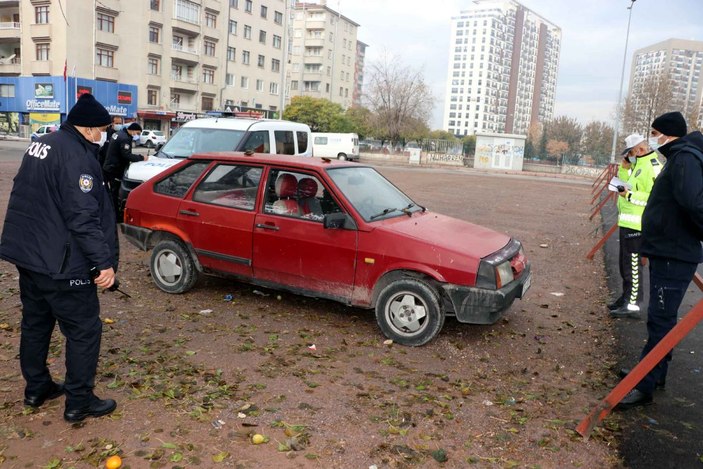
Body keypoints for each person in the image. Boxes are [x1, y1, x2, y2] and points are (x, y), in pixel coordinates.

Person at [0, 93, 118, 422]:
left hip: (31, 255)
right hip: (62, 265)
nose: (104, 134)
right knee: (84, 330)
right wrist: (104, 263)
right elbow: (83, 218)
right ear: (88, 128)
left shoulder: (43, 144)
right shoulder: (78, 158)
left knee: (36, 324)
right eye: (102, 129)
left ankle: (36, 388)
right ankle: (79, 401)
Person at [617, 111, 703, 409]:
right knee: (661, 319)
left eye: (654, 133)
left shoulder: (685, 158)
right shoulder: (680, 157)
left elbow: (693, 203)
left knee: (660, 319)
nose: (652, 139)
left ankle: (645, 384)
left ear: (667, 133)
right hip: (669, 249)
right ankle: (653, 373)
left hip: (674, 252)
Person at [608, 133, 662, 318]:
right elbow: (629, 185)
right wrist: (624, 170)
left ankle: (633, 305)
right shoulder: (639, 165)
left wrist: (629, 196)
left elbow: (655, 198)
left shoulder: (653, 167)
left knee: (632, 265)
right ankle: (626, 298)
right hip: (629, 221)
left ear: (640, 149)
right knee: (625, 265)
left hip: (638, 225)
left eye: (631, 152)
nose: (629, 156)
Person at [102, 122, 147, 220]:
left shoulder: (118, 134)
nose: (137, 136)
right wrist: (141, 158)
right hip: (115, 169)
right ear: (133, 130)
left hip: (109, 167)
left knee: (110, 191)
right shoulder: (125, 138)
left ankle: (111, 213)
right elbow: (126, 155)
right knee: (115, 192)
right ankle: (116, 216)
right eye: (137, 133)